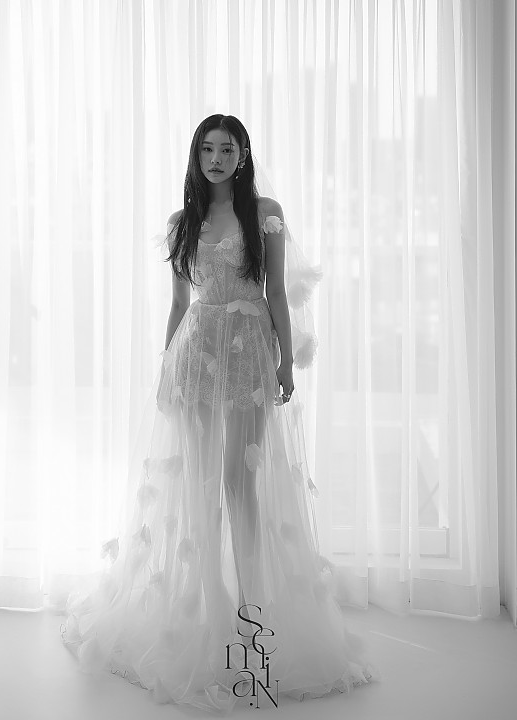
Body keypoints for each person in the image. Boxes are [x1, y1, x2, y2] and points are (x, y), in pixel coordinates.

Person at [60, 113, 381, 713]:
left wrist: (286, 360)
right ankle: (208, 614)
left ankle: (252, 621)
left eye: (226, 149)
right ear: (197, 155)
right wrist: (166, 365)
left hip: (250, 353)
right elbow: (179, 303)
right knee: (199, 487)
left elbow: (276, 291)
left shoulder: (265, 214)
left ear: (242, 155)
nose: (215, 159)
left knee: (241, 483)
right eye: (207, 149)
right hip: (196, 355)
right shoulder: (184, 223)